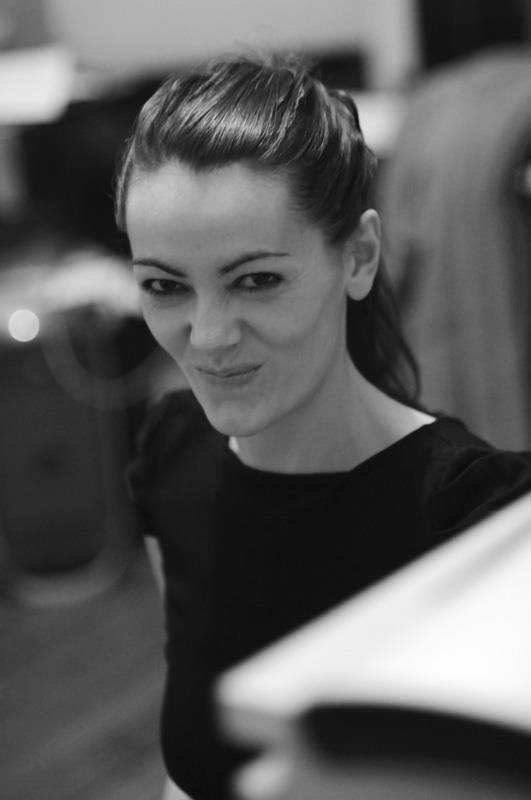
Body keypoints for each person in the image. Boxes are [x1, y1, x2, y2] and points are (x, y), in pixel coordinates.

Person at [114, 52, 531, 800]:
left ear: (359, 257)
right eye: (164, 286)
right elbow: (198, 765)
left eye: (257, 280)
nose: (208, 337)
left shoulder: (479, 519)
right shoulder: (171, 449)